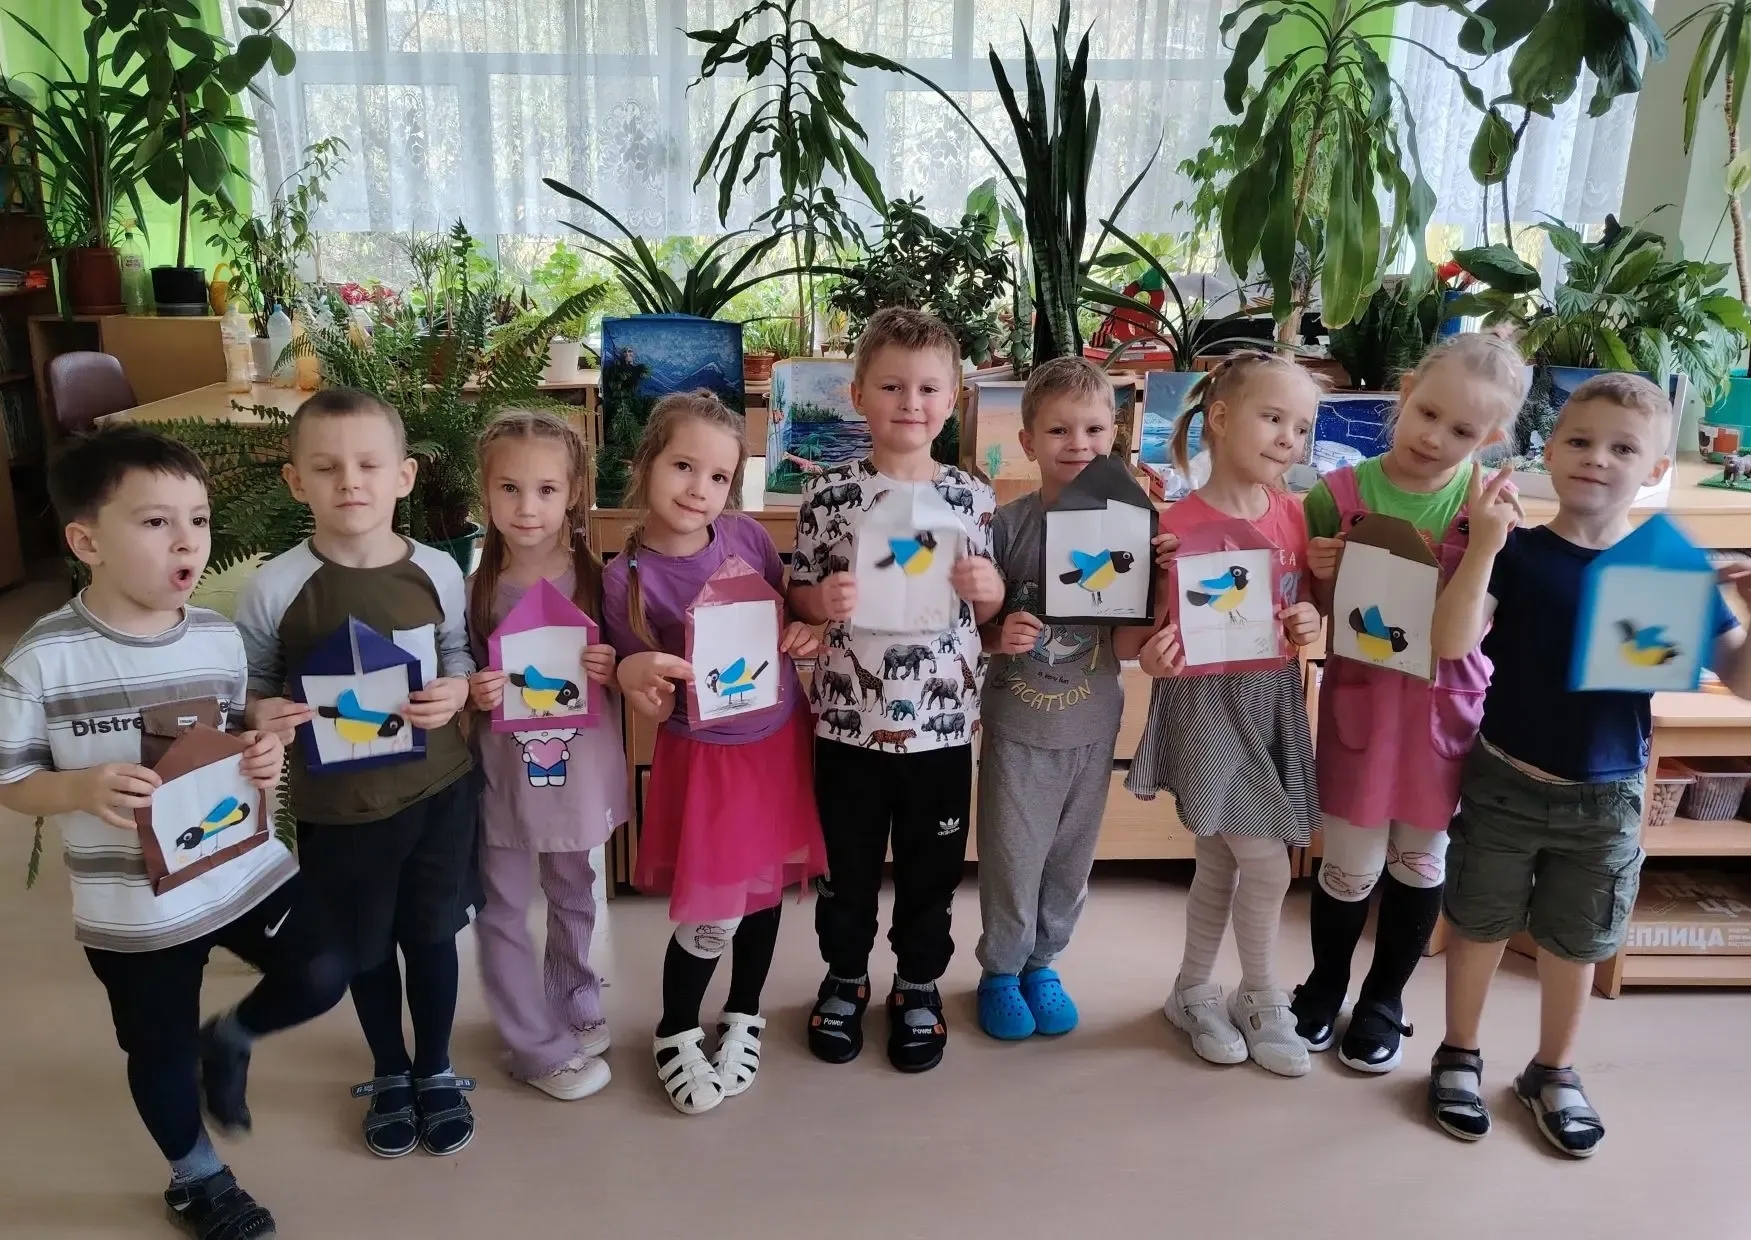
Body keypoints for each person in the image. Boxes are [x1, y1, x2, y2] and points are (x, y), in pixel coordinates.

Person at [0, 426, 348, 1240]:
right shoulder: (44, 660)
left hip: (240, 866)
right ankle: (197, 1178)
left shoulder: (218, 638)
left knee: (324, 967)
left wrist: (261, 747)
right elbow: (10, 780)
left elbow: (227, 734)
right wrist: (79, 786)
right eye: (156, 521)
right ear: (87, 542)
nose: (188, 540)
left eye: (198, 519)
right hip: (136, 907)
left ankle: (231, 1038)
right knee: (158, 1052)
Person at [1428, 371, 1751, 1157]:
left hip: (1606, 795)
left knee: (1577, 939)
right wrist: (1484, 546)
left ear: (1655, 469)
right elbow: (1450, 642)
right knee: (1478, 922)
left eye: (1621, 449)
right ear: (1548, 449)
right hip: (1505, 778)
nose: (1596, 459)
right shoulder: (1519, 554)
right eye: (1578, 440)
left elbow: (1741, 679)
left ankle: (1552, 1069)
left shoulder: (1668, 566)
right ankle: (1458, 1052)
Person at [234, 388, 480, 1159]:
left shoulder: (437, 570)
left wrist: (457, 689)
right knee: (365, 949)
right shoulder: (276, 586)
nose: (350, 481)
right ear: (294, 481)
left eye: (369, 464)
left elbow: (457, 651)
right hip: (338, 809)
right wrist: (260, 712)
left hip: (437, 792)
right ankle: (389, 1070)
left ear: (403, 476)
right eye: (326, 466)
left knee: (432, 937)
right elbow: (248, 684)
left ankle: (435, 1067)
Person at [1289, 334, 1529, 1074]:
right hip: (1360, 710)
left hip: (1443, 715)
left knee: (1421, 862)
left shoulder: (1490, 510)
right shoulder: (1335, 495)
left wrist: (1486, 542)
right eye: (1426, 413)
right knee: (1349, 863)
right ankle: (1324, 986)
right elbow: (1316, 614)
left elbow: (1474, 629)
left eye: (1461, 430)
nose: (1433, 437)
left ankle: (1384, 1000)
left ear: (1490, 437)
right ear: (1403, 393)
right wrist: (1319, 573)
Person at [789, 306, 1004, 1074]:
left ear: (952, 400)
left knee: (930, 874)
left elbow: (988, 612)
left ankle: (917, 982)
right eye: (890, 386)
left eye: (927, 388)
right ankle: (844, 976)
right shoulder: (828, 495)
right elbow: (799, 592)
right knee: (844, 871)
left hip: (940, 735)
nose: (909, 402)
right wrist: (822, 601)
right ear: (857, 396)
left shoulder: (973, 498)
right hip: (847, 726)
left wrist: (987, 590)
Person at [603, 391, 826, 1115]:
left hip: (775, 742)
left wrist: (804, 631)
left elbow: (786, 616)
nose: (699, 488)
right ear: (646, 463)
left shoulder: (748, 539)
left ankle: (745, 1011)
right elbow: (639, 686)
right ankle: (675, 1028)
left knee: (763, 891)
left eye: (719, 475)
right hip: (706, 760)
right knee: (713, 907)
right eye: (683, 466)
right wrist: (640, 676)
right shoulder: (625, 578)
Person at [1127, 351, 1325, 1078]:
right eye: (1272, 418)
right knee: (1265, 864)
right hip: (1206, 704)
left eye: (1300, 427)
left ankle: (1191, 990)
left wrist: (1306, 620)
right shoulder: (1174, 525)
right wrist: (1155, 652)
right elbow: (1151, 632)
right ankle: (1262, 993)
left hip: (1271, 697)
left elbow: (1304, 609)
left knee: (1219, 857)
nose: (1287, 439)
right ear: (1219, 417)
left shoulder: (1295, 516)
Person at [974, 356, 1156, 1039]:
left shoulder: (1127, 528)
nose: (1077, 444)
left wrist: (1163, 582)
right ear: (1028, 442)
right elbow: (971, 631)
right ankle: (1001, 969)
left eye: (1093, 429)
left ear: (1114, 435)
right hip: (1018, 729)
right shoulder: (1005, 527)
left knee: (1069, 862)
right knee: (1012, 858)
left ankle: (1042, 964)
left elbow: (1131, 641)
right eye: (1057, 430)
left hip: (1092, 727)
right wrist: (999, 634)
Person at [464, 410, 628, 1102]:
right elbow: (456, 669)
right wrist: (472, 688)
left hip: (574, 775)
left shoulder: (600, 579)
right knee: (501, 904)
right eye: (509, 488)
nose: (526, 507)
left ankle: (573, 999)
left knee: (573, 890)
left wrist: (613, 665)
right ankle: (530, 1042)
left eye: (546, 489)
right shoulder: (472, 586)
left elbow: (633, 662)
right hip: (501, 777)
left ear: (573, 492)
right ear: (485, 491)